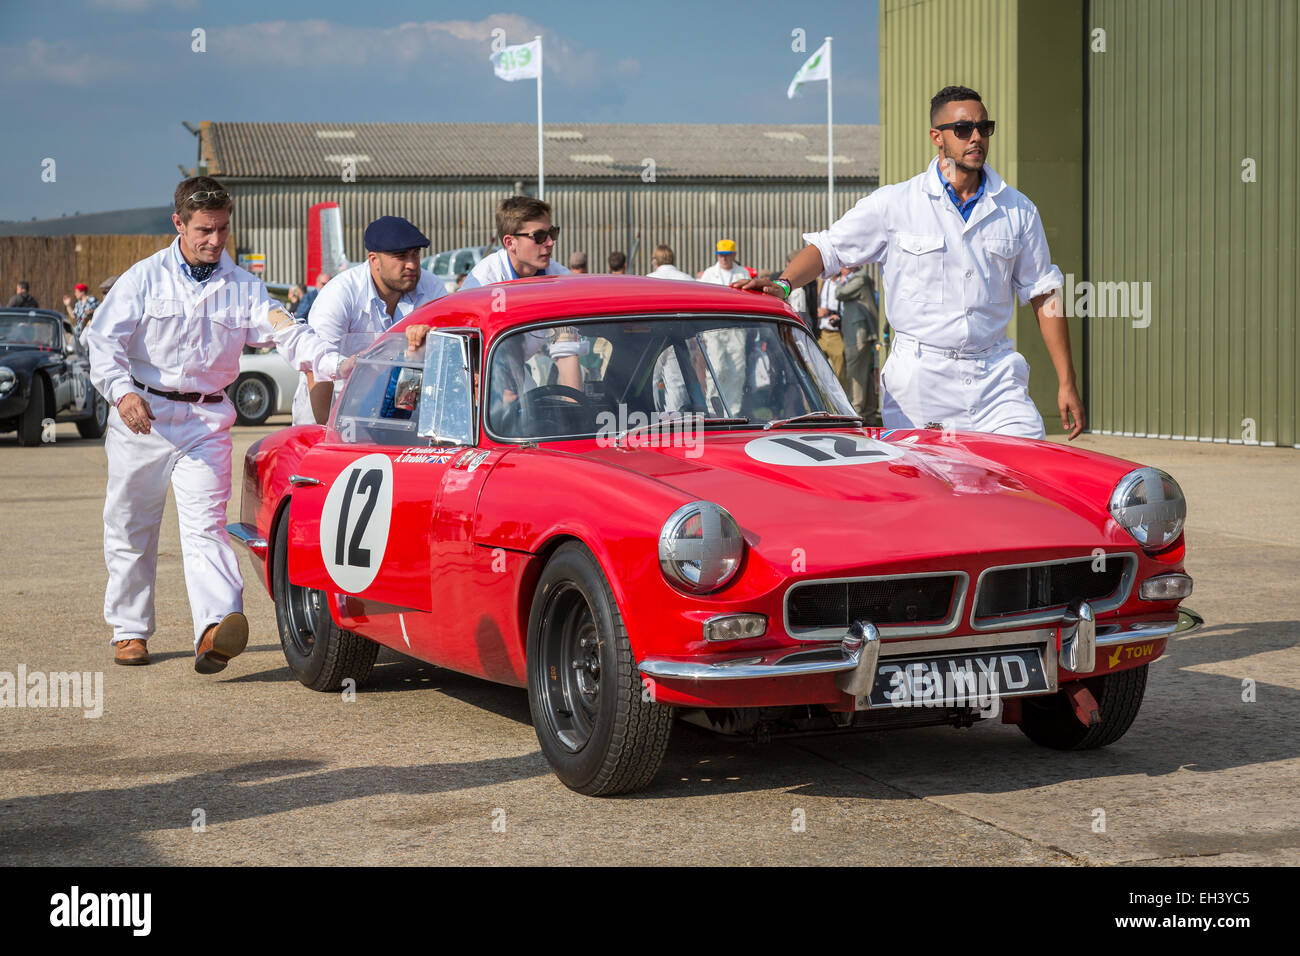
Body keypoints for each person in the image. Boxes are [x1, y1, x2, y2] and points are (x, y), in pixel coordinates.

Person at [85, 176, 354, 671]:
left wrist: (336, 364)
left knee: (206, 526)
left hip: (206, 422)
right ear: (179, 224)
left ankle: (215, 627)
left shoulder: (245, 288)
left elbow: (287, 333)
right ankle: (129, 630)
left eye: (223, 230)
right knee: (130, 525)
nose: (215, 240)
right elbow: (101, 342)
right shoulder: (143, 279)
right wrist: (122, 394)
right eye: (204, 230)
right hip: (142, 419)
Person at [740, 85, 1085, 440]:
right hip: (921, 384)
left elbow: (1044, 295)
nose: (977, 137)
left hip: (995, 378)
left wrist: (1066, 382)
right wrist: (783, 284)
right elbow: (829, 249)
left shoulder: (1018, 210)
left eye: (985, 128)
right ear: (937, 136)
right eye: (963, 129)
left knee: (1025, 471)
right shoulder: (896, 204)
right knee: (930, 487)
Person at [293, 217, 449, 425]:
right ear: (374, 260)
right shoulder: (339, 294)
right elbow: (318, 370)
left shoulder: (431, 287)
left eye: (416, 254)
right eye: (401, 256)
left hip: (397, 418)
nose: (411, 264)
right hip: (329, 418)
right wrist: (328, 436)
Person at [462, 196, 571, 289]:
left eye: (553, 232)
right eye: (539, 236)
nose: (550, 242)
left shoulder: (561, 278)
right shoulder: (482, 282)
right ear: (510, 243)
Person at [835, 266, 881, 420]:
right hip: (857, 333)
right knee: (863, 374)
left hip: (858, 336)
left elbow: (839, 293)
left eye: (844, 264)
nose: (841, 268)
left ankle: (855, 411)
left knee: (856, 374)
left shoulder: (859, 279)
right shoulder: (859, 278)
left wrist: (841, 282)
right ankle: (868, 413)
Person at [816, 269, 847, 384]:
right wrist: (817, 312)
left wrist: (837, 317)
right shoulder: (822, 281)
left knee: (840, 374)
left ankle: (841, 401)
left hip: (837, 334)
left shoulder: (844, 282)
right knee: (814, 371)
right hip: (821, 333)